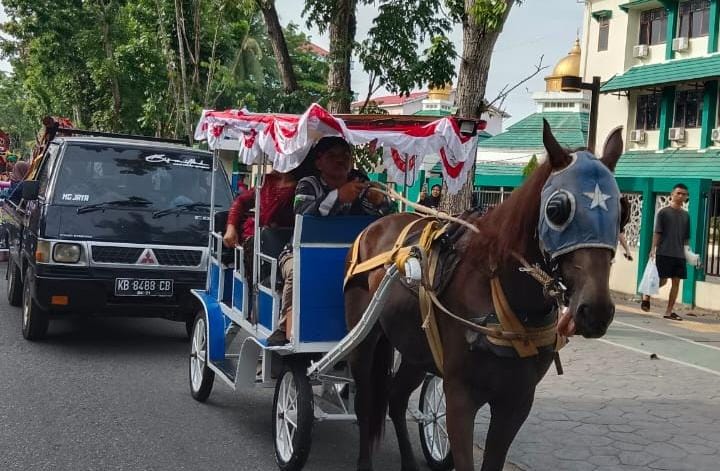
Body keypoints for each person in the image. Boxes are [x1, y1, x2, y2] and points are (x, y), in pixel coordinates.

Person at [267, 136, 393, 346]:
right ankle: (284, 327)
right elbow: (303, 213)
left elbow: (384, 216)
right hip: (301, 251)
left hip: (353, 253)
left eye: (345, 156)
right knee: (297, 271)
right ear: (319, 163)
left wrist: (380, 201)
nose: (340, 160)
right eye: (332, 156)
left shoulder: (361, 184)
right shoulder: (308, 184)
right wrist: (338, 197)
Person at [641, 184, 690, 321]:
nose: (681, 196)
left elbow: (686, 237)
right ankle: (646, 295)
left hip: (679, 255)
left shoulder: (686, 216)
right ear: (672, 194)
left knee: (676, 282)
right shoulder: (663, 213)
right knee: (661, 281)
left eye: (684, 194)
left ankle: (669, 311)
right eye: (679, 193)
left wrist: (687, 252)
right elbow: (657, 233)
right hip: (664, 252)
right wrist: (653, 249)